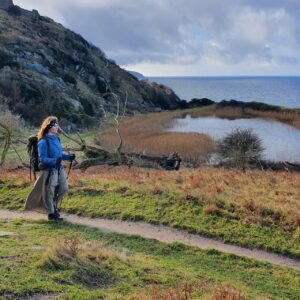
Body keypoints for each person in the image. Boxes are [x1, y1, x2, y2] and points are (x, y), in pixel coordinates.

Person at [25, 116, 75, 221]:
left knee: (64, 188)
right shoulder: (43, 141)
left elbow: (59, 154)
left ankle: (51, 206)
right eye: (55, 125)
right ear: (49, 127)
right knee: (50, 192)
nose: (57, 127)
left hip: (58, 168)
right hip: (49, 170)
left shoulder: (56, 138)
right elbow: (42, 159)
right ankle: (52, 213)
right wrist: (54, 161)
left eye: (57, 124)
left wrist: (68, 157)